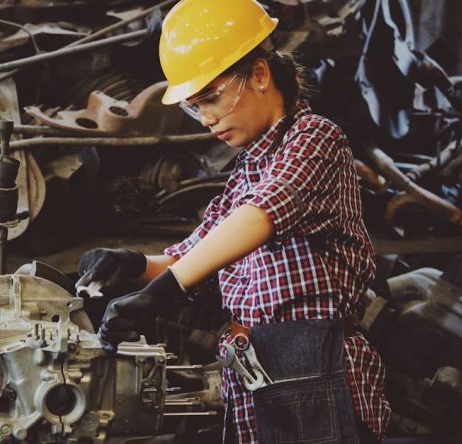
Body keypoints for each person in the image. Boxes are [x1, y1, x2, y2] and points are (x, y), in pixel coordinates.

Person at [76, 0, 390, 442]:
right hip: (254, 371)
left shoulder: (315, 138)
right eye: (193, 107)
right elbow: (193, 256)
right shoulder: (245, 173)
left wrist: (164, 291)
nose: (206, 119)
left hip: (312, 372)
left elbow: (262, 215)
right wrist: (131, 264)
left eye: (212, 97)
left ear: (260, 75)